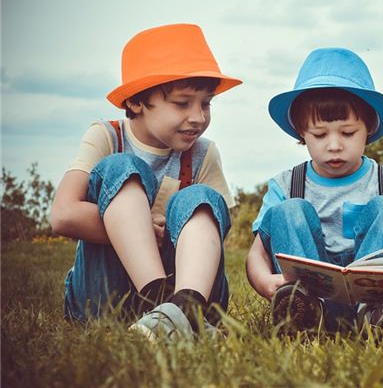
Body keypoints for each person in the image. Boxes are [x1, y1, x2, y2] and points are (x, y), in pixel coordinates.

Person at [245, 47, 383, 338]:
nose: (334, 145)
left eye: (347, 133)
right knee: (288, 210)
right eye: (320, 135)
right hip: (310, 301)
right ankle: (303, 316)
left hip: (376, 302)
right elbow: (256, 254)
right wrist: (264, 282)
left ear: (368, 127)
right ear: (301, 132)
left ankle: (381, 319)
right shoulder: (286, 184)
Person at [50, 23, 242, 340]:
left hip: (188, 285)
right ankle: (163, 305)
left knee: (200, 198)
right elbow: (63, 214)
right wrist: (137, 227)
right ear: (137, 102)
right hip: (106, 297)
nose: (198, 117)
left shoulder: (204, 153)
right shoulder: (107, 136)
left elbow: (216, 226)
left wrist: (174, 226)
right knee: (121, 167)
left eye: (206, 103)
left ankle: (186, 307)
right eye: (183, 103)